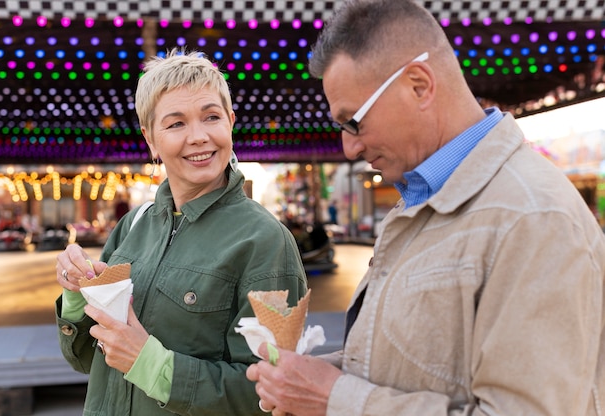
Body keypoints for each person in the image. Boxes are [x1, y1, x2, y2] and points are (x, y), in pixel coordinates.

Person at [246, 1, 605, 415]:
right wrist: (309, 380)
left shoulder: (534, 218)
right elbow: (416, 369)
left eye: (353, 122)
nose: (350, 146)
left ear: (418, 84)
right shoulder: (425, 200)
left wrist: (334, 397)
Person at [55, 48, 307, 416]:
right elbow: (86, 361)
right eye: (176, 124)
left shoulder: (264, 242)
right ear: (151, 140)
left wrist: (150, 363)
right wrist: (75, 294)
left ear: (231, 122)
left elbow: (272, 395)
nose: (199, 136)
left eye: (211, 117)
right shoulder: (133, 225)